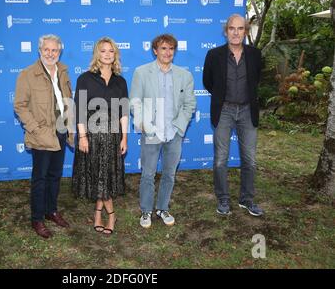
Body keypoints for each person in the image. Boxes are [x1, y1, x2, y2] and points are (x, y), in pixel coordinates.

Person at [130, 34, 196, 229]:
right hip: (151, 132)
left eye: (171, 49)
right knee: (148, 174)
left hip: (174, 133)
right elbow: (135, 101)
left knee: (169, 174)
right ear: (155, 50)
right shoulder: (142, 73)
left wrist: (179, 127)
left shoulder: (185, 75)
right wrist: (146, 125)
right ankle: (146, 210)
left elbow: (190, 104)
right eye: (163, 48)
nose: (167, 52)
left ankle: (163, 207)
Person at [203, 14, 264, 217]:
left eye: (240, 29)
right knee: (220, 159)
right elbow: (208, 82)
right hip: (224, 110)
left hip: (248, 111)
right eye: (232, 28)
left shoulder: (255, 54)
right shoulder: (213, 55)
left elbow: (257, 79)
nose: (236, 32)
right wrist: (223, 97)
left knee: (250, 160)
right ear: (226, 31)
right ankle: (223, 199)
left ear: (245, 32)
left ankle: (246, 199)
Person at [14, 34, 74, 239]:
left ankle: (51, 210)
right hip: (41, 134)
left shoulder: (64, 71)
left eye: (54, 50)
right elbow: (20, 105)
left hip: (61, 130)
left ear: (60, 52)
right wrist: (34, 129)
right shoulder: (28, 74)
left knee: (55, 175)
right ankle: (37, 218)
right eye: (46, 50)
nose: (50, 53)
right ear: (39, 51)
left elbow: (68, 99)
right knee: (40, 178)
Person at [72, 37, 129, 235]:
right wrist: (82, 136)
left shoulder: (120, 81)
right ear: (97, 53)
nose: (107, 54)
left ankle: (99, 212)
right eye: (103, 50)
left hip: (113, 136)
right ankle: (110, 214)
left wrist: (124, 138)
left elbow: (123, 112)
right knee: (97, 174)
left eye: (111, 51)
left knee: (106, 176)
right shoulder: (85, 78)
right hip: (92, 136)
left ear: (115, 55)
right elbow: (79, 110)